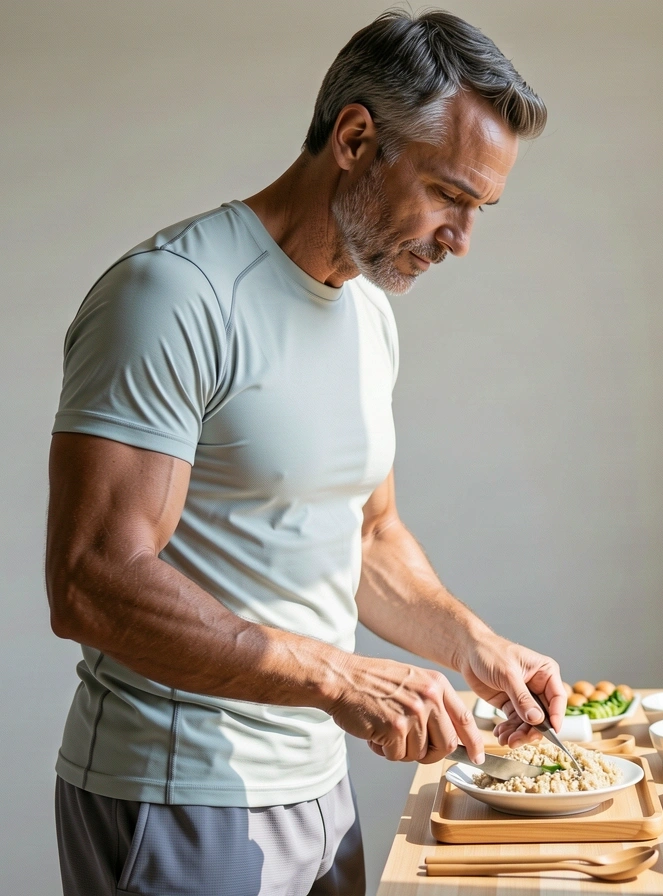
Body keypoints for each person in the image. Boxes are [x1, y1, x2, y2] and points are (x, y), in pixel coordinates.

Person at [44, 10, 564, 895]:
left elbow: (366, 535)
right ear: (356, 138)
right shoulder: (174, 295)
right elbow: (93, 578)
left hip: (321, 789)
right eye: (449, 195)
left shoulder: (367, 312)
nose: (461, 240)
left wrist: (475, 646)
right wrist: (338, 679)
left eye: (481, 209)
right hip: (178, 795)